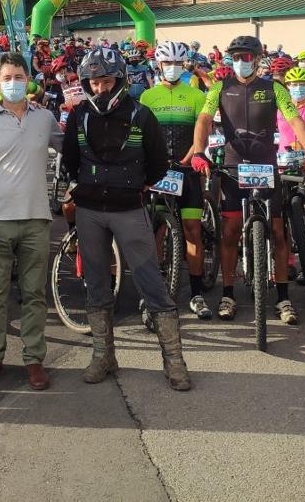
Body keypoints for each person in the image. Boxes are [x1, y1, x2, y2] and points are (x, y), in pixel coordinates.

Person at [64, 46, 191, 390]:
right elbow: (69, 160)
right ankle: (103, 355)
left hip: (130, 210)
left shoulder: (142, 114)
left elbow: (159, 163)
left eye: (105, 81)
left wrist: (132, 184)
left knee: (151, 281)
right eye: (93, 83)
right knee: (96, 283)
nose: (100, 89)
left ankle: (174, 362)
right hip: (90, 211)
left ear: (119, 79)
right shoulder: (78, 115)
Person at [189, 34, 305, 325]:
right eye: (235, 57)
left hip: (265, 164)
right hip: (234, 165)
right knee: (230, 230)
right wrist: (198, 151)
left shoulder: (274, 88)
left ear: (258, 60)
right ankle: (228, 293)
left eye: (246, 57)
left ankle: (283, 297)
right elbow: (204, 119)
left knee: (279, 231)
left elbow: (294, 118)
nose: (240, 62)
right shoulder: (220, 87)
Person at [0, 53, 60, 391]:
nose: (13, 82)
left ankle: (34, 360)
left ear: (28, 79)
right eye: (7, 77)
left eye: (19, 76)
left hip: (36, 219)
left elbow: (73, 150)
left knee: (35, 293)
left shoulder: (45, 118)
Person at [141, 41, 213, 321]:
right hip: (158, 172)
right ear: (158, 66)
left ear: (184, 66)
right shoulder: (148, 97)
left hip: (187, 169)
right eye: (167, 64)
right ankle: (156, 289)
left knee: (192, 229)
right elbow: (143, 136)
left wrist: (192, 156)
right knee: (155, 230)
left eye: (177, 64)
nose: (172, 68)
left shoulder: (196, 95)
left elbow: (203, 130)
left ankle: (196, 293)